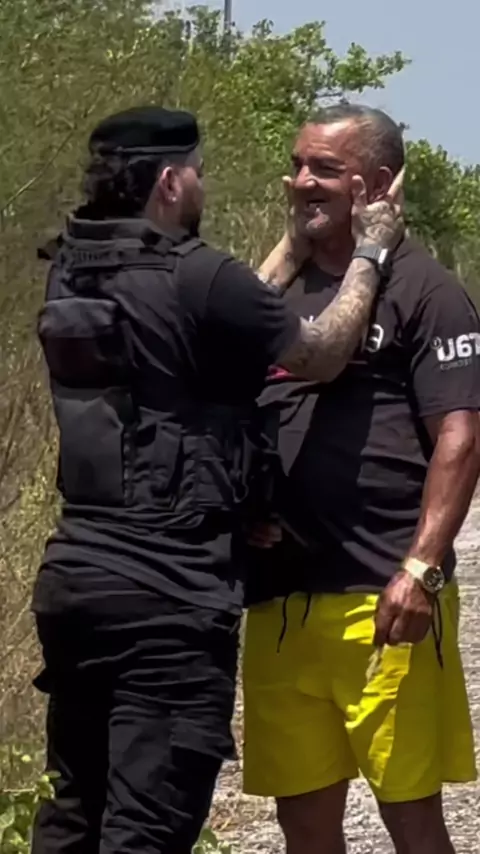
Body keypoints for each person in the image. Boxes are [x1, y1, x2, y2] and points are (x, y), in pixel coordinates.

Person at [30, 104, 403, 854]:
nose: (203, 184)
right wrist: (371, 251)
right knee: (147, 830)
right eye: (198, 173)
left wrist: (291, 245)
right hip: (166, 599)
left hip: (75, 585)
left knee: (75, 814)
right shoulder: (196, 273)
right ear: (171, 182)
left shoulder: (74, 269)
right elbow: (320, 351)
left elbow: (221, 316)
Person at [242, 103, 480, 854]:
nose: (301, 181)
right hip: (280, 601)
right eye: (297, 165)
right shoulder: (276, 289)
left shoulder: (427, 290)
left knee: (409, 816)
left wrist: (420, 569)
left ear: (376, 184)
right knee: (302, 822)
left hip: (381, 596)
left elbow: (461, 438)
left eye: (324, 168)